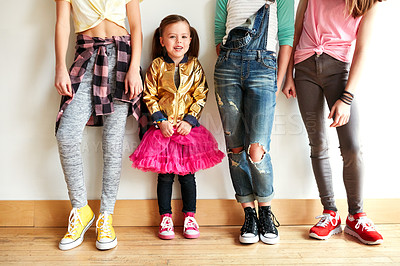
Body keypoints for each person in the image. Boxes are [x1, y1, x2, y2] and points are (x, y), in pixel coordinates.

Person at [283, 0, 383, 245]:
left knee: (352, 147)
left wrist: (346, 98)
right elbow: (295, 32)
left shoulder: (368, 3)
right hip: (304, 69)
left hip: (339, 71)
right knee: (317, 144)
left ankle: (356, 215)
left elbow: (363, 49)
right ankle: (330, 214)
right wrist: (288, 76)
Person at [54, 0, 143, 250]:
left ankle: (106, 215)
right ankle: (81, 210)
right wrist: (60, 66)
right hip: (86, 55)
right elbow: (62, 23)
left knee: (113, 142)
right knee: (66, 134)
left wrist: (134, 68)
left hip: (122, 56)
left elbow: (135, 26)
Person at [129, 15, 225, 240]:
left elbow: (200, 94)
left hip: (187, 131)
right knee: (164, 177)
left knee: (188, 176)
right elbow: (149, 95)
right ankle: (165, 218)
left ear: (190, 40)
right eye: (172, 37)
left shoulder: (195, 66)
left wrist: (189, 120)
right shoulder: (156, 66)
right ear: (162, 41)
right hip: (162, 131)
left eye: (183, 36)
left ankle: (190, 216)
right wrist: (161, 121)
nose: (178, 41)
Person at [214, 0, 294, 245]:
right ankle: (248, 213)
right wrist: (233, 61)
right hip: (227, 68)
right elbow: (219, 34)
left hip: (264, 67)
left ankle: (266, 212)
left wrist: (277, 80)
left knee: (257, 149)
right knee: (235, 147)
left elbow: (286, 37)